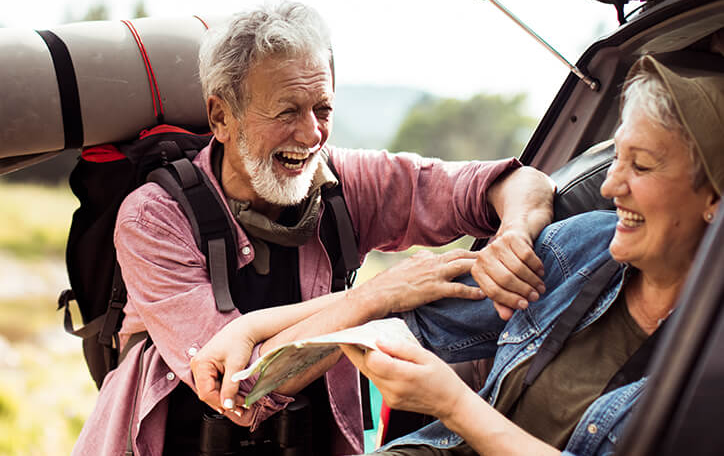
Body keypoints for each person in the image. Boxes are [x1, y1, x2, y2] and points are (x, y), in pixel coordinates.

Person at [72, 1, 555, 456]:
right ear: (222, 116)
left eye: (321, 109)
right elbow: (240, 391)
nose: (311, 135)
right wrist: (377, 297)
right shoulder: (153, 218)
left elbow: (515, 181)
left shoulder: (345, 184)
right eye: (286, 111)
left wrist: (514, 233)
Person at [191, 54, 722, 456]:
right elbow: (404, 312)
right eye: (616, 159)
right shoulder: (584, 247)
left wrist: (452, 404)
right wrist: (253, 328)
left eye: (643, 166)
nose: (610, 187)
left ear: (714, 199)